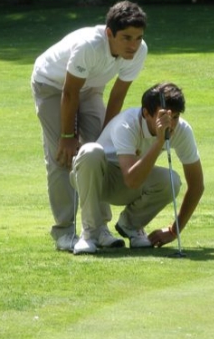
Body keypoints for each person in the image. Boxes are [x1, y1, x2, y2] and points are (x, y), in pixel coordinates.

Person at [31, 1, 148, 252]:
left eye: (138, 38)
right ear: (109, 33)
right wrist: (67, 136)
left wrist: (107, 138)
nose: (133, 45)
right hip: (52, 86)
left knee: (100, 155)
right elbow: (69, 92)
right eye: (126, 37)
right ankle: (64, 231)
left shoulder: (139, 51)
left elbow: (117, 96)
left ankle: (98, 228)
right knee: (63, 156)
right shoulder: (89, 46)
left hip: (90, 88)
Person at [70, 82, 205, 255]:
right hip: (95, 179)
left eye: (175, 117)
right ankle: (89, 233)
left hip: (127, 183)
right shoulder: (127, 124)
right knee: (91, 151)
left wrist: (173, 231)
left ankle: (130, 226)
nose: (170, 124)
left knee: (171, 180)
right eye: (163, 117)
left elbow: (197, 186)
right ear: (146, 113)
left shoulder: (182, 130)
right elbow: (131, 180)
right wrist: (159, 143)